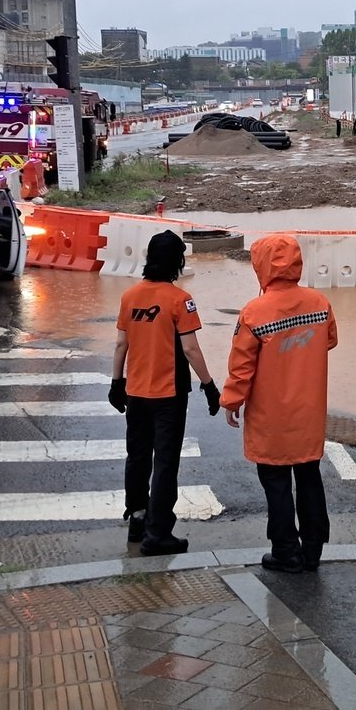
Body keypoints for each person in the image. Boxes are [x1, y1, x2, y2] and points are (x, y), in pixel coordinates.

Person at [221, 233, 338, 574]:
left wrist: (231, 400)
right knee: (309, 476)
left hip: (271, 416)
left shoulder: (254, 312)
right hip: (309, 412)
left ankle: (286, 550)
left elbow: (241, 366)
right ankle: (313, 549)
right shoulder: (319, 302)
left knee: (276, 483)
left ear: (261, 265)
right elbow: (330, 340)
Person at [109, 231, 222, 556]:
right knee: (166, 463)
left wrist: (117, 383)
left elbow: (121, 344)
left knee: (138, 456)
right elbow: (190, 349)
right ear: (177, 261)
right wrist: (209, 385)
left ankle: (138, 518)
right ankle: (158, 534)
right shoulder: (180, 300)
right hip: (169, 395)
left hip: (136, 392)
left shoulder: (130, 296)